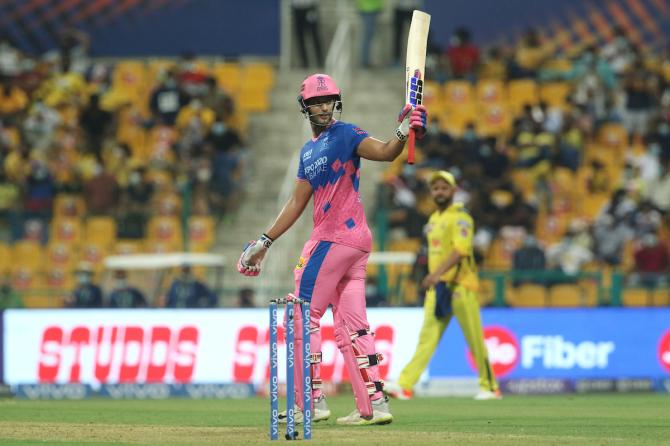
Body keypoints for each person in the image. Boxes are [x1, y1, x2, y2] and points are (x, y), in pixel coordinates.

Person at [237, 73, 427, 425]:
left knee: (300, 316)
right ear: (305, 108)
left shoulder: (346, 134)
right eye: (315, 103)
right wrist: (264, 241)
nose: (322, 107)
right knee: (352, 327)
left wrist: (403, 130)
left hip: (333, 238)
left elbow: (386, 153)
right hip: (352, 244)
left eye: (327, 101)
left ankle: (309, 401)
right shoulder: (308, 152)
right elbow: (296, 203)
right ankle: (373, 404)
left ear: (335, 103)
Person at [385, 171, 501, 401]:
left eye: (444, 188)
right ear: (431, 193)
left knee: (474, 338)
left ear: (453, 191)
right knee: (426, 338)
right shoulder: (433, 220)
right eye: (436, 188)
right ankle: (405, 385)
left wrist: (435, 274)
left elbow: (461, 250)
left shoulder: (460, 218)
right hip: (438, 288)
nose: (439, 192)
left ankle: (490, 386)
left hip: (460, 286)